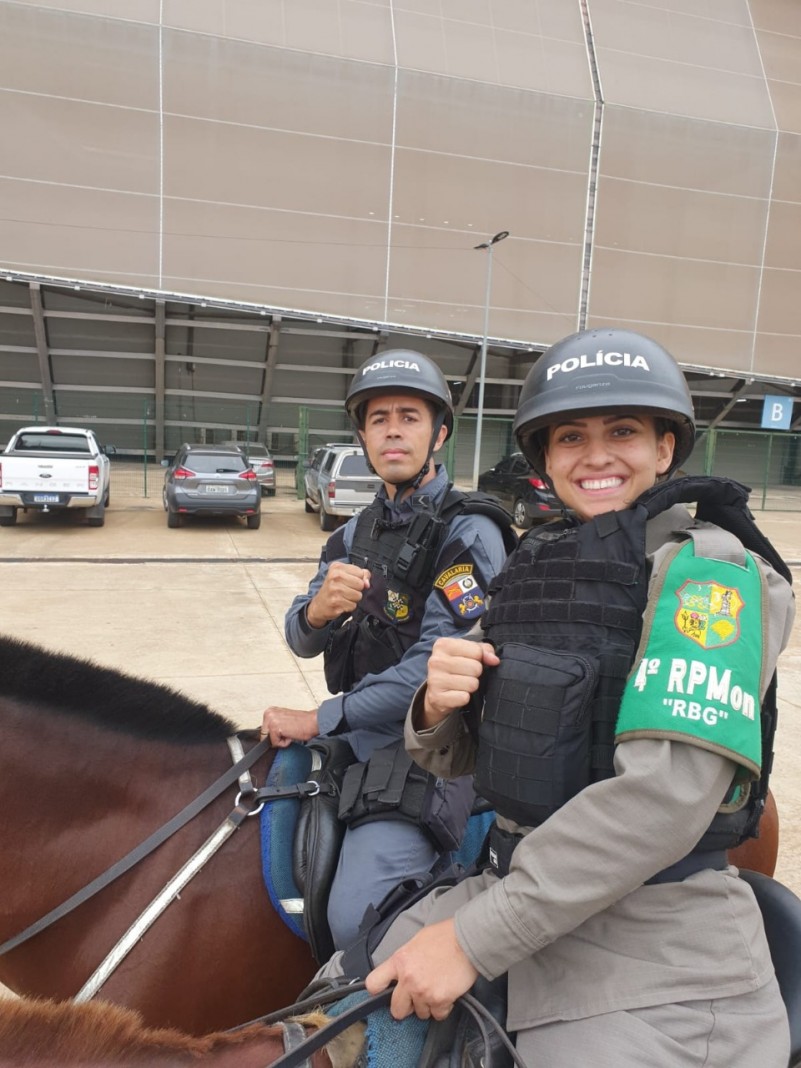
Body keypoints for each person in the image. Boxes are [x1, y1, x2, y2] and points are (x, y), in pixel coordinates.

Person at [314, 328, 795, 1067]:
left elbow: (663, 799)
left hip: (654, 946)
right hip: (508, 884)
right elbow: (474, 758)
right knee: (320, 1017)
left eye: (623, 431)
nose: (595, 455)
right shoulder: (539, 566)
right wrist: (435, 710)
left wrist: (472, 940)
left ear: (665, 449)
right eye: (570, 436)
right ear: (544, 458)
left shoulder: (711, 577)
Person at [261, 349, 512, 952]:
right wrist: (317, 612)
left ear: (439, 433)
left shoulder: (469, 532)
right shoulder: (352, 532)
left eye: (409, 416)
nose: (393, 429)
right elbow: (301, 637)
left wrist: (317, 718)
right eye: (378, 419)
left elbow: (435, 671)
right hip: (359, 732)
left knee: (357, 919)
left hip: (437, 748)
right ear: (363, 436)